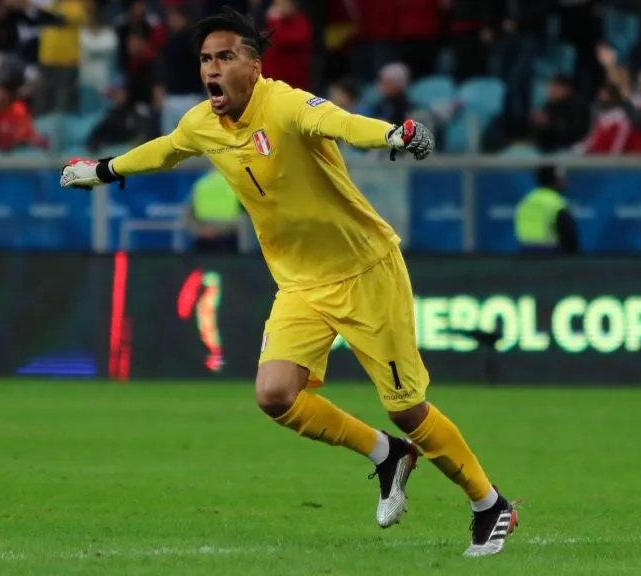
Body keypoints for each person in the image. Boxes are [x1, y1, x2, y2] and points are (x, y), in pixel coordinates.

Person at [59, 7, 519, 558]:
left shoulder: (286, 104)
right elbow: (165, 150)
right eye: (206, 59)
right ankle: (386, 454)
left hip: (366, 270)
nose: (212, 69)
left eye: (225, 56)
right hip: (300, 284)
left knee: (406, 407)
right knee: (275, 395)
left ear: (253, 65)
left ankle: (489, 504)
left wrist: (394, 134)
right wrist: (103, 170)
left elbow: (342, 123)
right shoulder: (203, 123)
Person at [514, 165, 580, 254]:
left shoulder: (526, 201)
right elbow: (568, 235)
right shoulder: (556, 203)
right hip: (550, 255)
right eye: (562, 179)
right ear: (555, 180)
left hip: (525, 254)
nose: (565, 181)